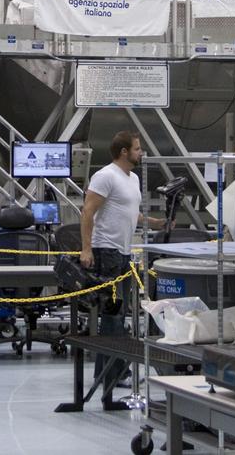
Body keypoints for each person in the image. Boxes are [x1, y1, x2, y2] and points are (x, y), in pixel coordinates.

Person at [79, 131, 166, 410]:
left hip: (125, 252)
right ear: (124, 152)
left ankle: (111, 375)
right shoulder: (105, 176)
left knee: (118, 317)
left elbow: (130, 211)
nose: (141, 153)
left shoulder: (133, 179)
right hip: (107, 251)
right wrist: (87, 249)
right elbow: (88, 212)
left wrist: (153, 223)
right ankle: (110, 381)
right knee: (113, 319)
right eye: (138, 149)